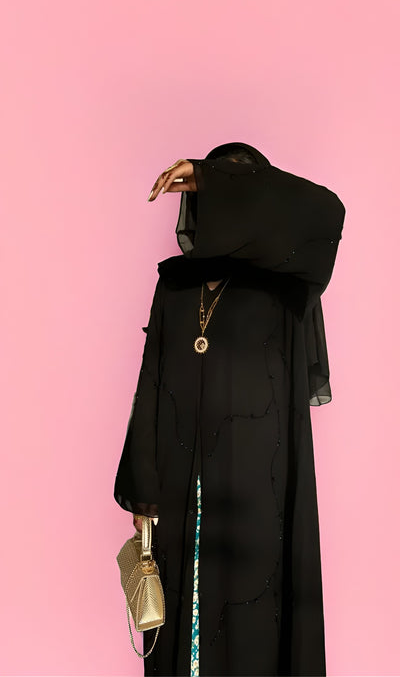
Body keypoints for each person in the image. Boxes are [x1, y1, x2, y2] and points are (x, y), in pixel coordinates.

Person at [114, 142, 346, 676]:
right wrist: (143, 489)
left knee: (252, 623)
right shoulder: (175, 284)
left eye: (240, 192)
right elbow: (151, 382)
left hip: (258, 492)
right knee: (185, 622)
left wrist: (207, 174)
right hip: (183, 485)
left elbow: (326, 210)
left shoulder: (285, 289)